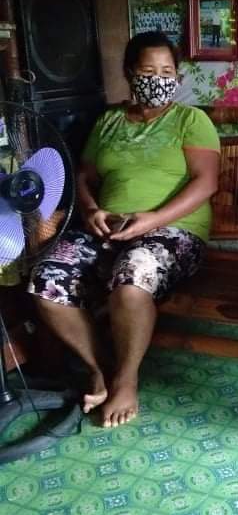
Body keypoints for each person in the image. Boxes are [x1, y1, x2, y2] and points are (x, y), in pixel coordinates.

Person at [28, 31, 220, 428]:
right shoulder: (109, 121)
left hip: (172, 230)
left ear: (178, 77)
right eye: (148, 71)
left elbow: (206, 183)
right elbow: (84, 176)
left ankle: (126, 380)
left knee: (132, 277)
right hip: (107, 228)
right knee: (45, 280)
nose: (158, 79)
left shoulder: (191, 120)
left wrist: (152, 220)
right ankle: (100, 368)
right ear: (130, 73)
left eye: (166, 72)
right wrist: (91, 210)